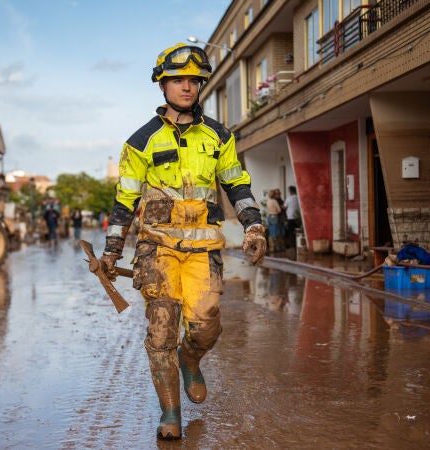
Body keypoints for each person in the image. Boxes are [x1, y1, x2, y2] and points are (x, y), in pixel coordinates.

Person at [99, 43, 266, 440]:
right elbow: (125, 199)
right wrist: (111, 250)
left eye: (193, 80)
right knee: (160, 331)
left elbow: (237, 185)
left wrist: (254, 226)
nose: (187, 87)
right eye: (178, 80)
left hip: (203, 252)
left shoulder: (219, 137)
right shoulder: (140, 142)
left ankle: (190, 359)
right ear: (163, 85)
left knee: (207, 326)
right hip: (156, 250)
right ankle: (170, 413)